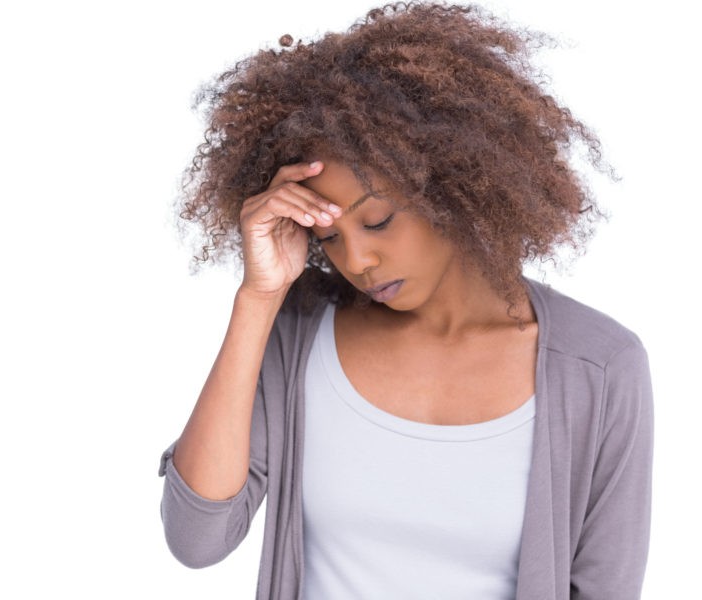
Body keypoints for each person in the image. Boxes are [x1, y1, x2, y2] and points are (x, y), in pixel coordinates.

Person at [158, 2, 654, 599]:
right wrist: (258, 300)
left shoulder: (598, 366)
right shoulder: (299, 335)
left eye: (379, 220)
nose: (356, 261)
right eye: (327, 237)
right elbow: (197, 541)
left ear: (453, 180)